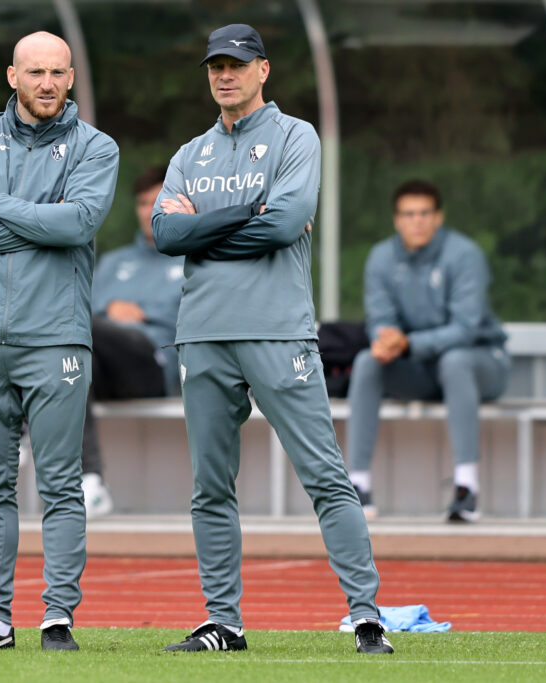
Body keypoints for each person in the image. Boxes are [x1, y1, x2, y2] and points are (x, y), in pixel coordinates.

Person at [151, 24, 392, 655]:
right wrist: (242, 218)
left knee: (325, 476)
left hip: (278, 331)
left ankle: (366, 617)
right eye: (214, 67)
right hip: (201, 335)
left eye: (236, 64)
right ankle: (223, 623)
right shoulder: (188, 154)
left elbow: (285, 223)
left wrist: (202, 229)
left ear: (264, 70)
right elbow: (165, 237)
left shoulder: (295, 136)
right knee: (209, 486)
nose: (224, 76)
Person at [0, 32, 119, 652]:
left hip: (55, 338)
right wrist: (41, 221)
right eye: (35, 72)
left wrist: (0, 206)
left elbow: (80, 223)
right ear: (12, 75)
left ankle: (57, 617)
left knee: (61, 485)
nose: (47, 83)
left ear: (70, 78)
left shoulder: (97, 147)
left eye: (58, 72)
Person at [346, 180, 510, 523]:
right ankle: (357, 486)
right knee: (366, 361)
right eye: (408, 214)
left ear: (438, 218)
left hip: (481, 364)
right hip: (420, 369)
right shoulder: (380, 257)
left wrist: (408, 344)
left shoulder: (464, 255)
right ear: (396, 220)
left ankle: (467, 489)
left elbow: (465, 329)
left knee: (455, 360)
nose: (416, 221)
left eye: (424, 213)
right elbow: (380, 319)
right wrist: (385, 340)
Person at [80, 166, 184, 516]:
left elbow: (195, 320)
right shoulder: (112, 262)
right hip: (102, 368)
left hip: (152, 365)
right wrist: (111, 308)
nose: (147, 210)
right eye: (141, 203)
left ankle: (10, 434)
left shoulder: (195, 259)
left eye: (157, 201)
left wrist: (142, 312)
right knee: (67, 362)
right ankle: (91, 481)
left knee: (76, 323)